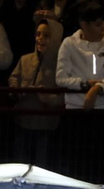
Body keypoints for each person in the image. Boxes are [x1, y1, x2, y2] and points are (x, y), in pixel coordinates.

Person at [8, 20, 63, 166]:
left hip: (45, 126)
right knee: (19, 165)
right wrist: (17, 89)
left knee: (41, 166)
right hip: (22, 122)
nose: (40, 39)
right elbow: (14, 78)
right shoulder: (25, 59)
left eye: (46, 35)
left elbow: (64, 97)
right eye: (38, 34)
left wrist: (46, 97)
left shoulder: (60, 65)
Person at [55, 4, 104, 111]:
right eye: (98, 25)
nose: (103, 28)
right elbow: (60, 79)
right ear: (84, 24)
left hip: (101, 106)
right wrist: (84, 84)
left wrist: (97, 88)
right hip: (74, 106)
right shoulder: (69, 44)